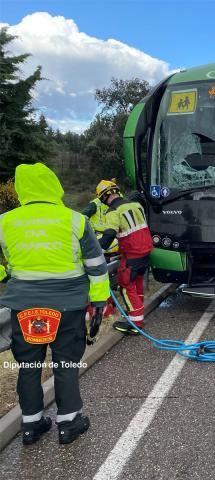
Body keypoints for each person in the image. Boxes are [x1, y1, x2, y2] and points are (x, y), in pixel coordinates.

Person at [0, 163, 109, 445]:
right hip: (67, 306)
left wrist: (9, 276)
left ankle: (31, 425)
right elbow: (97, 266)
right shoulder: (74, 220)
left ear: (21, 188)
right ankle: (69, 424)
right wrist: (98, 302)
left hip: (25, 306)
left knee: (28, 366)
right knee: (66, 363)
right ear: (53, 185)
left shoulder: (5, 221)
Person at [96, 180, 153, 335]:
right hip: (146, 251)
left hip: (132, 254)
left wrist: (95, 249)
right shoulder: (136, 205)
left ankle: (135, 324)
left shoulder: (113, 211)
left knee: (126, 286)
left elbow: (108, 236)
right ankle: (138, 313)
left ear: (102, 198)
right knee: (138, 282)